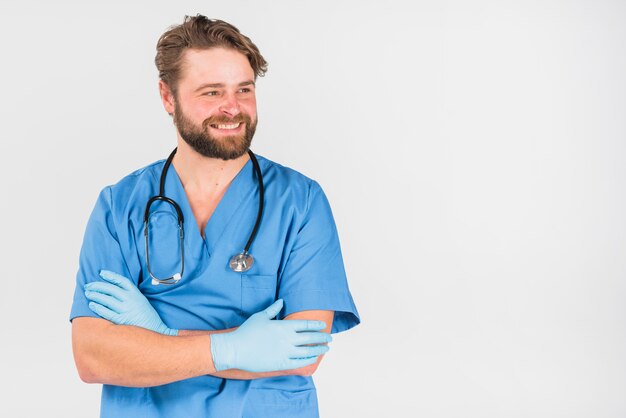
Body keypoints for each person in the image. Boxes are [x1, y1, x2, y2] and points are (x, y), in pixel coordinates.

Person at [69, 14, 360, 418]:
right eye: (211, 92)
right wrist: (235, 347)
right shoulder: (120, 206)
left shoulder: (300, 202)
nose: (232, 107)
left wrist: (161, 337)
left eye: (244, 89)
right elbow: (93, 356)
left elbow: (301, 352)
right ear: (167, 97)